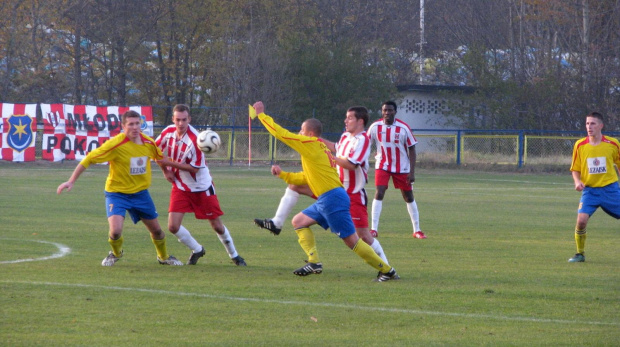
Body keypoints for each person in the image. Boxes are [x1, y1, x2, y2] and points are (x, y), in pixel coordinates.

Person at [250, 101, 399, 282]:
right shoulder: (320, 148)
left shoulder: (311, 143)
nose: (299, 134)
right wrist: (283, 175)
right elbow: (306, 178)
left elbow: (281, 134)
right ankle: (314, 262)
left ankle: (388, 271)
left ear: (310, 134)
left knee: (353, 241)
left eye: (302, 131)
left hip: (334, 198)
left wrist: (261, 115)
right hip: (328, 197)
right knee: (299, 222)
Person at [56, 110, 183, 266]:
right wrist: (71, 181)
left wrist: (166, 170)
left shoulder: (149, 143)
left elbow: (159, 158)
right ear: (123, 126)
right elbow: (89, 159)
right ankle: (115, 253)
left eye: (137, 123)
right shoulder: (115, 144)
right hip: (117, 194)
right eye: (131, 124)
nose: (135, 127)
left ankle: (163, 257)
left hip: (141, 194)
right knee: (115, 231)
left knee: (157, 231)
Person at [155, 104, 246, 266]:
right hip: (181, 186)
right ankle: (197, 250)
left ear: (189, 119)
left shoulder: (196, 139)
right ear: (173, 119)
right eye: (178, 120)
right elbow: (155, 151)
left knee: (217, 226)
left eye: (184, 120)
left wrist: (170, 163)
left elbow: (195, 168)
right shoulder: (168, 132)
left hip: (202, 187)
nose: (181, 123)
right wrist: (165, 170)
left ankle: (235, 255)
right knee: (173, 226)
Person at [367, 100, 426, 239]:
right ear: (382, 112)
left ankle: (417, 230)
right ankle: (373, 229)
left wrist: (412, 172)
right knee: (379, 191)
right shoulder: (375, 127)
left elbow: (412, 149)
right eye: (385, 110)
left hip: (402, 167)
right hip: (382, 164)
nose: (387, 113)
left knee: (408, 196)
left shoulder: (404, 128)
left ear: (395, 112)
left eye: (390, 110)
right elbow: (365, 145)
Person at [567, 111, 620, 262]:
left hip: (610, 189)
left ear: (601, 126)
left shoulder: (613, 143)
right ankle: (580, 254)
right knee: (581, 220)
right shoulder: (580, 145)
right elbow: (575, 169)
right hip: (590, 191)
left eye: (593, 123)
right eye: (587, 123)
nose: (589, 127)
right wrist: (577, 182)